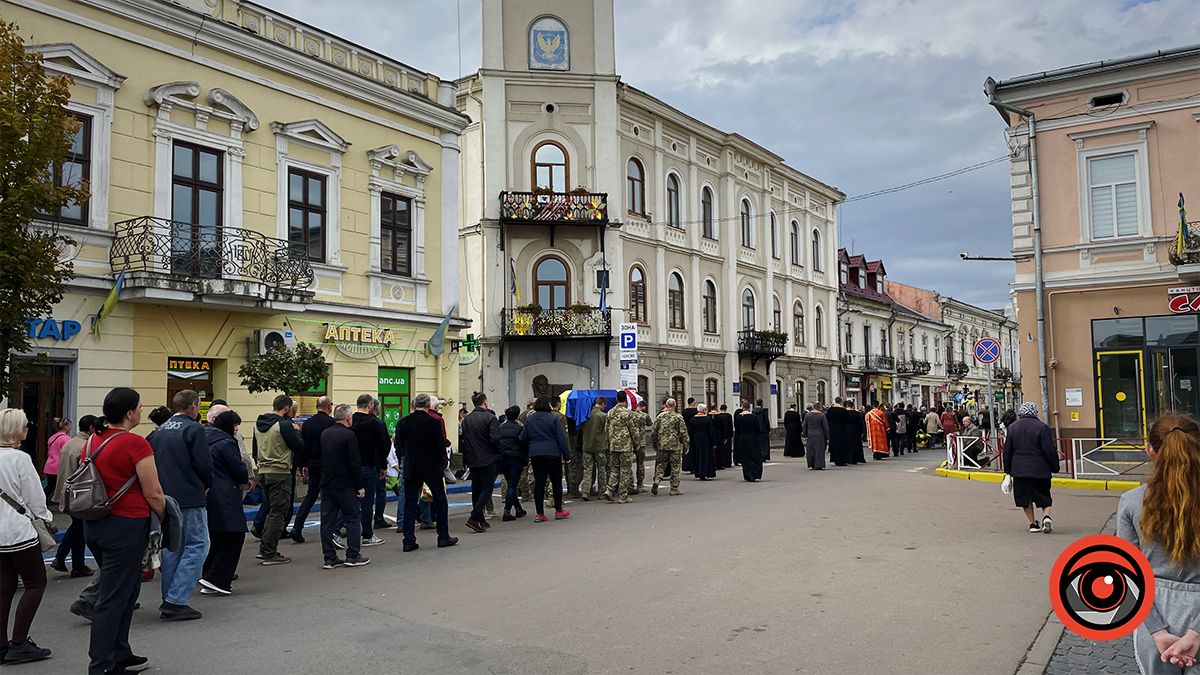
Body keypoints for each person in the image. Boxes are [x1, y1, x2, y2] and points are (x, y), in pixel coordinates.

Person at [85, 387, 165, 675]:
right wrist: (166, 518)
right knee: (114, 597)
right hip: (126, 525)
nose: (142, 412)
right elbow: (153, 491)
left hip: (95, 522)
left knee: (126, 591)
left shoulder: (93, 440)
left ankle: (121, 652)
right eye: (140, 407)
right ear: (130, 413)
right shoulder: (135, 444)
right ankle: (103, 665)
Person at [1117, 415, 1200, 673]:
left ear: (1149, 450)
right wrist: (1195, 633)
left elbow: (1127, 573)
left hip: (1153, 606)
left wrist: (1157, 631)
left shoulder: (1132, 502)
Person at [149, 389, 213, 621]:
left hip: (164, 496)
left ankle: (170, 596)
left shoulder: (157, 432)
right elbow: (204, 463)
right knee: (197, 545)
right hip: (189, 494)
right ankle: (176, 599)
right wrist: (208, 483)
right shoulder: (194, 429)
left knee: (172, 546)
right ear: (194, 406)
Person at [0, 408, 54, 666]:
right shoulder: (20, 458)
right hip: (18, 529)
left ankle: (1, 644)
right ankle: (19, 642)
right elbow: (35, 496)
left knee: (4, 586)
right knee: (35, 582)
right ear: (16, 430)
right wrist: (44, 518)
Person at [396, 394, 458, 552]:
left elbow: (398, 446)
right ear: (428, 404)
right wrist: (443, 463)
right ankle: (443, 536)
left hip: (412, 467)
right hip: (432, 467)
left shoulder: (403, 422)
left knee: (410, 504)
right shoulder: (433, 422)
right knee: (441, 500)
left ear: (414, 404)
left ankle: (408, 540)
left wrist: (404, 459)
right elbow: (439, 445)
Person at [200, 410, 250, 595]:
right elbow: (239, 471)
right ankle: (218, 579)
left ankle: (209, 573)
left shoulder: (203, 437)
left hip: (207, 491)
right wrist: (245, 475)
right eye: (235, 425)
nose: (237, 429)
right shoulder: (227, 443)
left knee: (215, 536)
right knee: (235, 535)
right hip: (226, 493)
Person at [252, 394, 303, 566]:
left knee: (271, 511)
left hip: (263, 471)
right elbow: (299, 446)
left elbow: (254, 451)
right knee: (278, 513)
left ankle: (265, 548)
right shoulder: (284, 425)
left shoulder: (258, 426)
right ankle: (268, 552)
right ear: (287, 408)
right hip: (280, 472)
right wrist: (297, 431)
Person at [319, 404, 370, 568]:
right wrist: (359, 486)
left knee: (327, 521)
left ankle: (329, 557)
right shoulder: (349, 435)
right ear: (348, 417)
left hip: (327, 482)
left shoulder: (325, 434)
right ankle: (352, 555)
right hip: (345, 483)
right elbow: (354, 463)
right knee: (353, 517)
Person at [1000, 403, 1059, 534]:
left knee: (1024, 498)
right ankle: (1047, 517)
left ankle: (1033, 524)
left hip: (1020, 470)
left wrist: (1007, 471)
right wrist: (1055, 466)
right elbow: (1049, 449)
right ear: (1035, 412)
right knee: (1044, 495)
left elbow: (1007, 451)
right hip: (1040, 469)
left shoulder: (1013, 428)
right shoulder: (1042, 427)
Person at [50, 415, 96, 578]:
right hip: (78, 493)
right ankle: (63, 558)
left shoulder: (70, 442)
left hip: (65, 490)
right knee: (79, 526)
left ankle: (77, 564)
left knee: (79, 527)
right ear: (90, 428)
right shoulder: (86, 446)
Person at [291, 396, 335, 543]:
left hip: (312, 464)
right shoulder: (331, 423)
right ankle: (329, 530)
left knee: (311, 496)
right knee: (328, 497)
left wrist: (303, 465)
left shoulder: (307, 424)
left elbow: (302, 447)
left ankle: (297, 526)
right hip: (327, 464)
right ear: (329, 406)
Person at [520, 396, 571, 522]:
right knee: (556, 482)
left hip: (536, 455)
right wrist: (567, 455)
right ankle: (559, 511)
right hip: (553, 453)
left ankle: (539, 514)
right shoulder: (553, 418)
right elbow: (561, 438)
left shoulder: (530, 419)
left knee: (539, 484)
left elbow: (523, 437)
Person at [349, 395, 390, 547]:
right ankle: (367, 534)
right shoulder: (375, 423)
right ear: (370, 405)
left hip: (352, 466)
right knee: (367, 502)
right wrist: (383, 467)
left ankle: (339, 530)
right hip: (369, 466)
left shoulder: (350, 420)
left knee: (350, 500)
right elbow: (382, 447)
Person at [460, 392, 501, 534]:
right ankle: (475, 516)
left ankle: (480, 518)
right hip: (488, 458)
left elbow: (464, 441)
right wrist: (499, 452)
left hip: (472, 458)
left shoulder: (466, 419)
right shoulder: (490, 418)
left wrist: (465, 459)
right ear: (485, 402)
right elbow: (495, 439)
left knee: (476, 488)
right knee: (487, 488)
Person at [603, 391, 640, 503]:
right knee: (625, 470)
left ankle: (609, 489)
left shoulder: (610, 412)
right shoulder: (627, 413)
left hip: (613, 445)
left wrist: (609, 443)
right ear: (626, 400)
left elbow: (606, 429)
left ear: (616, 399)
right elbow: (633, 430)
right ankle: (623, 495)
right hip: (625, 446)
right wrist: (637, 444)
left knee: (614, 469)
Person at [650, 398, 689, 496]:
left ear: (666, 406)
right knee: (675, 467)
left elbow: (653, 432)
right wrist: (686, 445)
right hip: (674, 446)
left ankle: (657, 481)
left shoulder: (660, 417)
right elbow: (683, 432)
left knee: (660, 465)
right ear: (675, 405)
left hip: (662, 445)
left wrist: (655, 444)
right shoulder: (678, 417)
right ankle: (674, 488)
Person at [497, 406, 528, 521]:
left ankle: (518, 508)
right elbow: (524, 442)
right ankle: (507, 511)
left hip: (503, 458)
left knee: (510, 483)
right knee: (513, 485)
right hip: (516, 458)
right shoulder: (520, 428)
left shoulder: (501, 427)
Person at [579, 397, 608, 500]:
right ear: (602, 404)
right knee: (601, 469)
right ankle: (601, 492)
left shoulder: (586, 415)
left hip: (587, 446)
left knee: (587, 470)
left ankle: (585, 492)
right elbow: (606, 430)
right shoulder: (603, 416)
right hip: (599, 446)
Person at [42, 417, 71, 504]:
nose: (71, 427)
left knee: (50, 486)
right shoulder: (66, 439)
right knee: (53, 487)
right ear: (65, 426)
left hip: (49, 465)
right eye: (70, 425)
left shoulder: (52, 437)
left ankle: (44, 500)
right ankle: (40, 500)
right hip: (58, 466)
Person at [734, 402, 763, 481]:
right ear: (749, 408)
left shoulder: (738, 417)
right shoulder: (753, 417)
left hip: (743, 438)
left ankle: (747, 473)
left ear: (742, 407)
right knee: (754, 456)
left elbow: (737, 428)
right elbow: (758, 428)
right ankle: (754, 473)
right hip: (753, 438)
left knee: (745, 457)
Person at [688, 404, 717, 481]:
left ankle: (698, 472)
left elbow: (690, 431)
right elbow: (711, 431)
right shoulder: (707, 419)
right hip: (706, 439)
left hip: (696, 439)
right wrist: (714, 442)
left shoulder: (693, 419)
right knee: (706, 456)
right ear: (703, 410)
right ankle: (705, 472)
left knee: (698, 456)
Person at [631, 401, 652, 494]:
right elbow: (649, 424)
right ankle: (640, 484)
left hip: (631, 442)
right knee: (640, 464)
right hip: (641, 442)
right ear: (643, 407)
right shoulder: (644, 415)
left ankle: (629, 483)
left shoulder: (631, 414)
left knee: (628, 464)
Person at [804, 403, 829, 470]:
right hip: (819, 434)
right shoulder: (822, 415)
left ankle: (812, 464)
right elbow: (825, 427)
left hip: (810, 433)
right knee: (819, 450)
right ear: (819, 407)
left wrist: (805, 434)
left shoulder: (808, 415)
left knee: (811, 450)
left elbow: (805, 425)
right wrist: (828, 437)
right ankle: (819, 464)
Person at [825, 398, 848, 466]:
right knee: (842, 445)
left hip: (833, 429)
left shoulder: (830, 410)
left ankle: (835, 459)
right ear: (841, 402)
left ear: (835, 401)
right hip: (842, 429)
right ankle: (841, 460)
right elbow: (846, 420)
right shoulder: (843, 410)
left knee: (834, 444)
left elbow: (827, 419)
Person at [713, 404, 734, 469]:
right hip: (727, 434)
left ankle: (722, 462)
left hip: (720, 434)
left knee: (721, 450)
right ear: (726, 408)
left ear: (720, 408)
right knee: (728, 449)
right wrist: (731, 434)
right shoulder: (729, 416)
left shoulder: (718, 416)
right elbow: (731, 425)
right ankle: (728, 462)